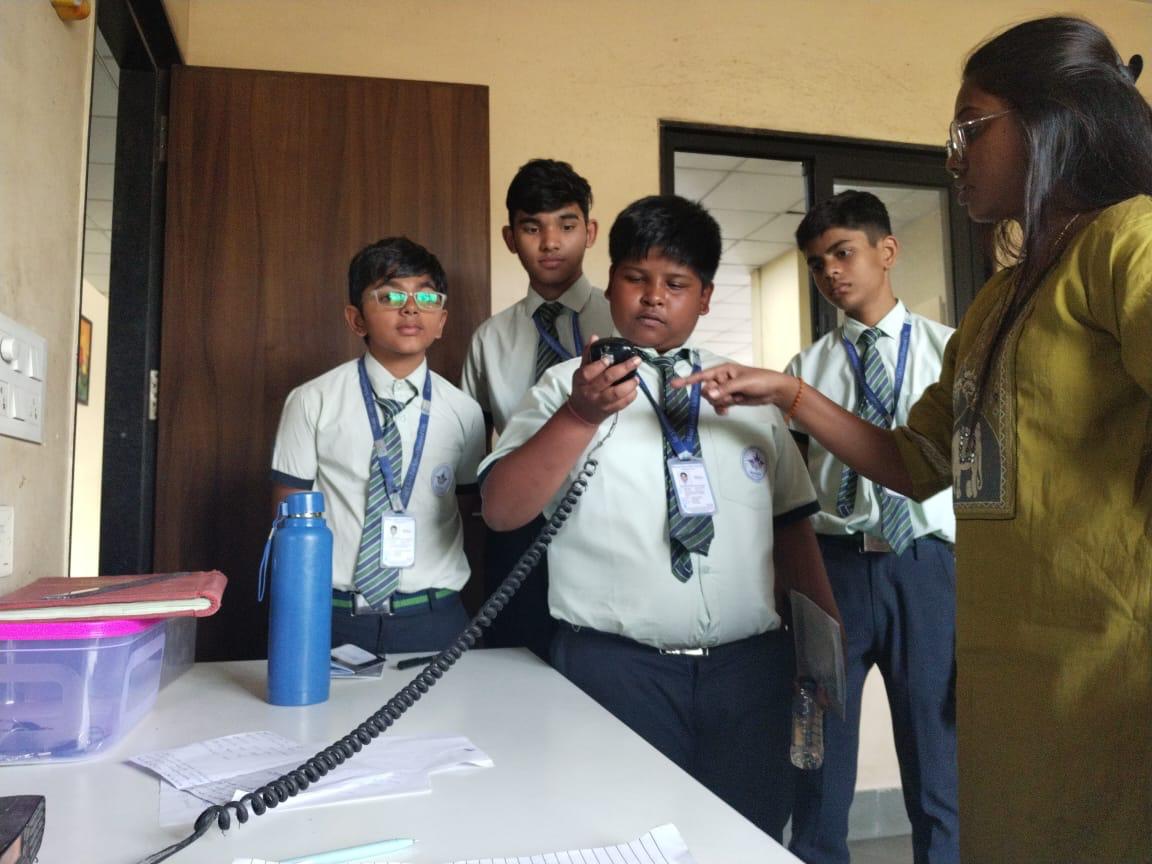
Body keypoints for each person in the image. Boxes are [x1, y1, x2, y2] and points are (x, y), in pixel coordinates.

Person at [677, 17, 1152, 862]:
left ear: (1052, 122)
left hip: (1106, 674)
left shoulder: (1129, 242)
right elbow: (917, 461)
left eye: (971, 128)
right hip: (1010, 672)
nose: (954, 156)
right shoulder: (998, 303)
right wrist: (793, 394)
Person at [480, 194, 841, 839]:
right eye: (636, 278)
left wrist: (821, 654)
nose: (653, 297)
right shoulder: (568, 386)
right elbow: (502, 511)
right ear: (610, 283)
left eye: (675, 284)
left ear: (704, 298)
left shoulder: (751, 396)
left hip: (747, 673)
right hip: (614, 670)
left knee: (742, 839)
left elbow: (792, 530)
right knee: (620, 838)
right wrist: (579, 416)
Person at [783, 190, 958, 864]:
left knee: (938, 757)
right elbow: (789, 488)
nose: (830, 271)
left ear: (887, 251)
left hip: (927, 568)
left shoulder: (951, 351)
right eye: (816, 262)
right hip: (836, 568)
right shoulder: (804, 372)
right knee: (821, 759)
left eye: (843, 252)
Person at [271, 237, 485, 655]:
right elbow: (287, 520)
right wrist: (297, 612)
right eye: (390, 296)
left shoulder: (464, 411)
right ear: (356, 320)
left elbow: (469, 518)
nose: (411, 308)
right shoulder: (312, 400)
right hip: (331, 616)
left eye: (426, 296)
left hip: (435, 617)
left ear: (441, 320)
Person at [460, 158, 612, 658]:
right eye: (532, 228)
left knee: (599, 664)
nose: (550, 242)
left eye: (566, 226)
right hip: (518, 530)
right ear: (510, 238)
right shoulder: (489, 338)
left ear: (590, 232)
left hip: (607, 516)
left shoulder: (623, 323)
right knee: (515, 664)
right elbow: (471, 454)